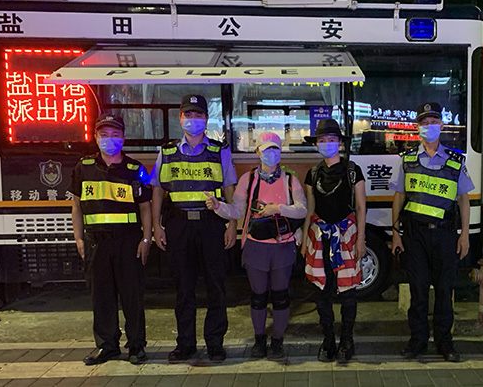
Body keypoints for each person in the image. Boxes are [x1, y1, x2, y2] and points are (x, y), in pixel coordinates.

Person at [150, 94, 238, 363]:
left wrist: (232, 224)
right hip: (178, 227)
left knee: (216, 287)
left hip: (212, 225)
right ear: (180, 119)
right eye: (188, 115)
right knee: (183, 289)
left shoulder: (220, 151)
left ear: (206, 119)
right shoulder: (167, 152)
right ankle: (185, 344)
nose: (193, 120)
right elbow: (157, 191)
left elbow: (230, 189)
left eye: (198, 115)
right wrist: (156, 226)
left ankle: (215, 343)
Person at [206, 132, 307, 359]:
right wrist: (217, 206)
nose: (271, 153)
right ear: (258, 152)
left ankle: (277, 340)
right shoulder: (248, 179)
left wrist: (277, 209)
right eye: (266, 149)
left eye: (275, 149)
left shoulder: (290, 180)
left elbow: (302, 210)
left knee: (280, 296)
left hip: (283, 246)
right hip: (256, 247)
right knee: (258, 296)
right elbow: (236, 211)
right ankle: (260, 339)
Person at [390, 102, 474, 363]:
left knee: (444, 291)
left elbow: (463, 199)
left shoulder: (455, 161)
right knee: (418, 291)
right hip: (415, 236)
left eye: (433, 122)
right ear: (417, 128)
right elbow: (399, 197)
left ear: (442, 125)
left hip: (445, 236)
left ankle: (444, 343)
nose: (429, 127)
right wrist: (396, 234)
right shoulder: (407, 160)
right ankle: (417, 341)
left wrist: (464, 235)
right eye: (424, 123)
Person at [69, 114, 152, 366]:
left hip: (128, 241)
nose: (109, 139)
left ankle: (136, 346)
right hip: (96, 242)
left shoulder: (135, 169)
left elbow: (145, 207)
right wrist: (78, 238)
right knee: (101, 296)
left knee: (132, 296)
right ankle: (107, 346)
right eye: (104, 134)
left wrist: (146, 239)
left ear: (123, 138)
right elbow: (76, 206)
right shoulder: (83, 167)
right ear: (95, 137)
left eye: (115, 134)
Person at [300, 118, 366, 363]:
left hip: (346, 238)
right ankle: (328, 340)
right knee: (322, 292)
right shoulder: (313, 173)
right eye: (322, 140)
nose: (327, 144)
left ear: (339, 143)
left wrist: (361, 239)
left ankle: (347, 340)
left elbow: (361, 207)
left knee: (348, 292)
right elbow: (310, 210)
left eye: (331, 140)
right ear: (316, 144)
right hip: (319, 239)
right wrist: (305, 241)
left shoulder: (353, 171)